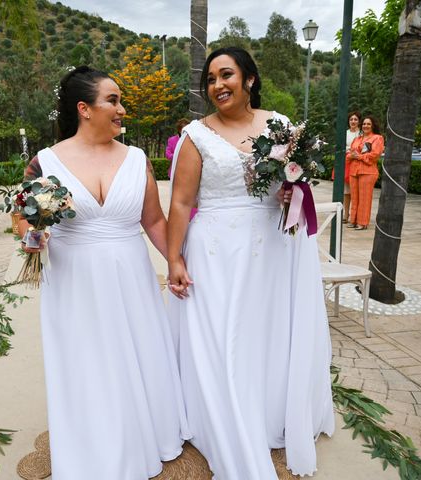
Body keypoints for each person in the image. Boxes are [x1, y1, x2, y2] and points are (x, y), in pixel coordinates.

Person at [167, 47, 334, 478]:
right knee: (226, 337)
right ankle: (226, 418)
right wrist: (174, 260)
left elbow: (293, 182)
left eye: (227, 75)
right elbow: (182, 204)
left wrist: (288, 193)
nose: (218, 85)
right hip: (216, 253)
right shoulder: (196, 136)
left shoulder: (279, 126)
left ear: (249, 80)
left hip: (274, 248)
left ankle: (267, 411)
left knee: (269, 331)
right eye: (210, 79)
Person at [20, 66, 189, 479]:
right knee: (87, 358)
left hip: (129, 273)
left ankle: (144, 432)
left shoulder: (136, 158)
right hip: (74, 279)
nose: (121, 109)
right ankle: (95, 441)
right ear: (84, 109)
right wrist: (31, 236)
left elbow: (152, 220)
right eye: (112, 101)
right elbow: (22, 218)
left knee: (138, 349)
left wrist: (175, 261)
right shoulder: (45, 161)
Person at [346, 115, 384, 231]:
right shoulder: (357, 139)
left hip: (368, 172)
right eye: (364, 124)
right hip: (354, 171)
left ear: (373, 126)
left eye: (368, 124)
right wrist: (351, 156)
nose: (365, 126)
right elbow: (349, 155)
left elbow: (375, 155)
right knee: (355, 197)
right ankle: (353, 220)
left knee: (364, 198)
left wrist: (360, 157)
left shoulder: (377, 138)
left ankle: (362, 222)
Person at [333, 111, 361, 223]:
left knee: (356, 190)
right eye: (351, 119)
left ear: (359, 121)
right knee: (346, 190)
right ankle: (346, 214)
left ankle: (356, 215)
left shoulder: (362, 134)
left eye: (355, 119)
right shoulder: (345, 133)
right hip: (346, 161)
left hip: (357, 162)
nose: (353, 121)